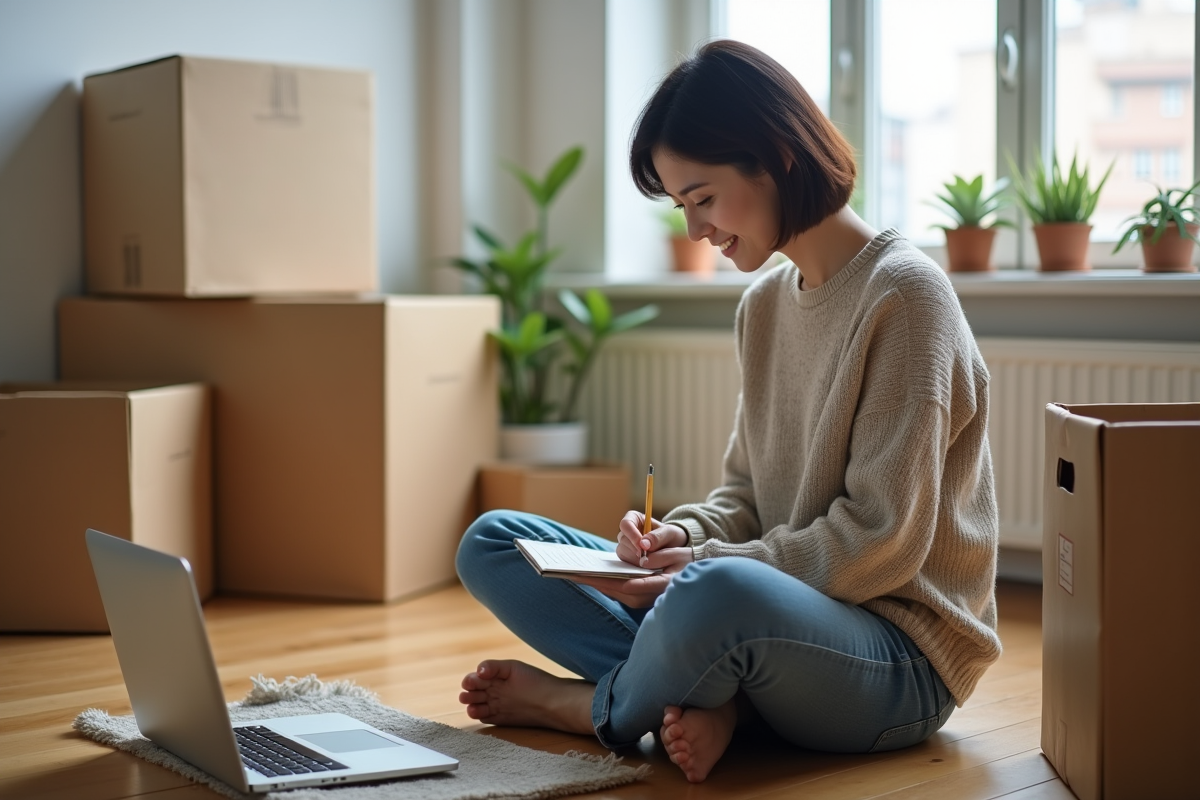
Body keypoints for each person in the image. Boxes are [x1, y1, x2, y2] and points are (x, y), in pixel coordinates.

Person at [455, 39, 1001, 784]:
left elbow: (881, 541)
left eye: (702, 198)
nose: (696, 231)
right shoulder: (764, 306)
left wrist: (705, 567)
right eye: (682, 207)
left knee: (712, 591)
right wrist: (679, 534)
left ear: (775, 155)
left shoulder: (904, 298)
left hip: (896, 658)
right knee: (495, 541)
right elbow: (744, 497)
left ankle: (593, 709)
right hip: (762, 619)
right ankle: (718, 700)